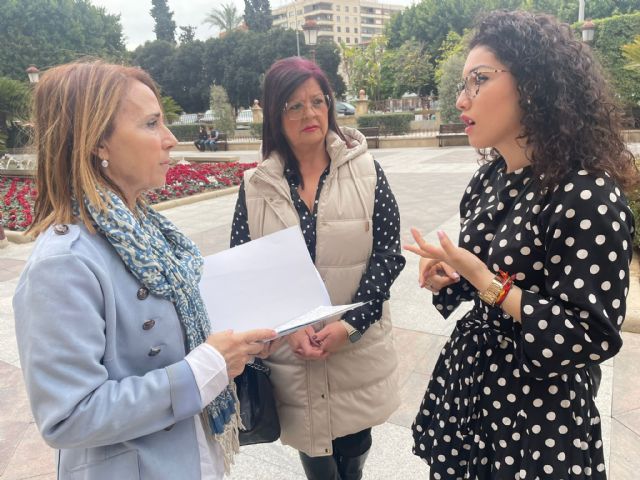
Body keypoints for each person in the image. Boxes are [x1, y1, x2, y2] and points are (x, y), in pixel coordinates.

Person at [13, 61, 277, 480]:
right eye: (152, 124)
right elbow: (68, 416)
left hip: (193, 457)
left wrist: (235, 346)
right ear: (98, 143)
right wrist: (204, 367)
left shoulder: (147, 233)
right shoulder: (65, 262)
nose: (171, 139)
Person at [406, 10, 637, 479]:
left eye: (479, 80)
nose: (462, 99)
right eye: (463, 84)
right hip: (472, 384)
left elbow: (590, 334)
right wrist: (453, 275)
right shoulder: (490, 178)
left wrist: (484, 280)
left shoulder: (585, 193)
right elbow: (488, 276)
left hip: (539, 412)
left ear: (534, 84)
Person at [229, 56, 406, 480]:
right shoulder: (255, 187)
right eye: (294, 105)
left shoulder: (367, 172)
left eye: (317, 101)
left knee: (354, 448)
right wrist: (287, 327)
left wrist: (351, 325)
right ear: (275, 115)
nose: (309, 113)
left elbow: (388, 255)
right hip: (294, 357)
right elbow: (244, 268)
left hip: (355, 347)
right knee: (314, 453)